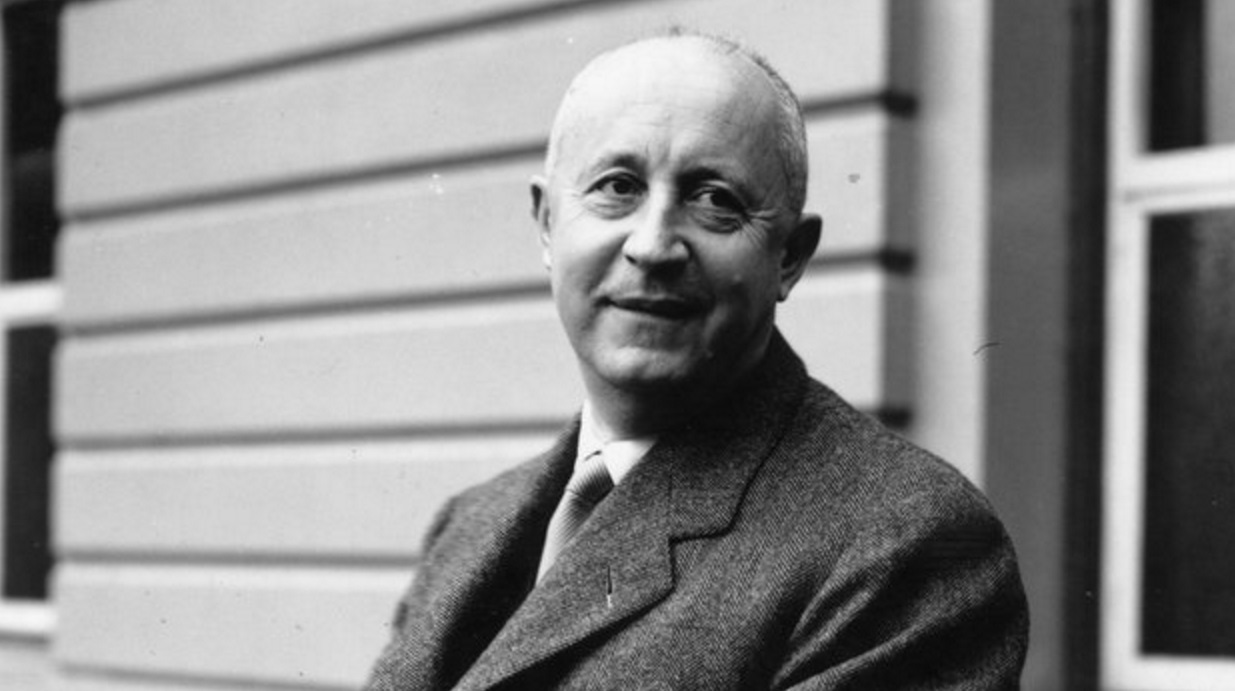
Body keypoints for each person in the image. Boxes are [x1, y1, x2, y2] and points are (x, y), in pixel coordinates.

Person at [366, 31, 1028, 690]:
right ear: (545, 223)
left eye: (715, 200)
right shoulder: (469, 524)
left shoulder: (906, 542)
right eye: (617, 186)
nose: (653, 245)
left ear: (789, 257)